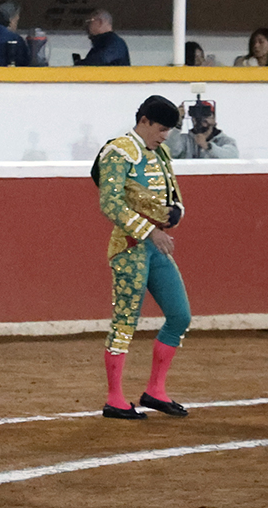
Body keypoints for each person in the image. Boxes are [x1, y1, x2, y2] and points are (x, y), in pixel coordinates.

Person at [92, 95, 190, 420]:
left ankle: (155, 391)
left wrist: (175, 213)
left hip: (154, 245)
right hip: (129, 246)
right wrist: (151, 231)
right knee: (125, 323)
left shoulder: (159, 152)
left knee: (180, 316)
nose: (165, 136)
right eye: (162, 129)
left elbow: (174, 194)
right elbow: (110, 203)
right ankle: (114, 399)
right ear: (145, 121)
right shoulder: (118, 151)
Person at [166, 101, 239, 159]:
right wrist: (177, 125)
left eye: (206, 114)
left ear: (214, 118)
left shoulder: (225, 140)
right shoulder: (185, 140)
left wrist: (208, 147)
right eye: (195, 115)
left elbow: (233, 156)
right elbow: (170, 152)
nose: (201, 119)